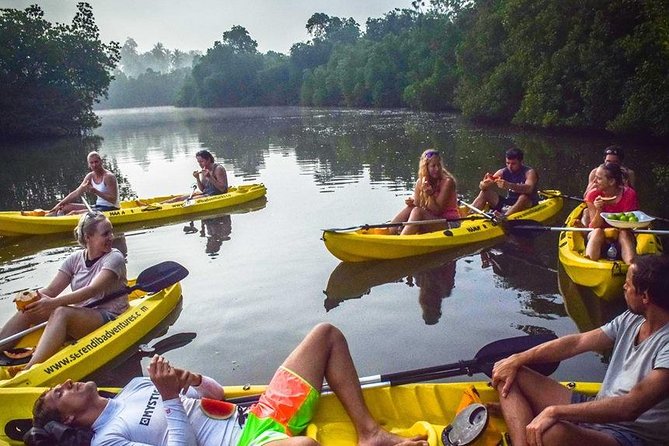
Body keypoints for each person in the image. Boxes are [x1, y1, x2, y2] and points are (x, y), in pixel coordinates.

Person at [29, 323, 428, 446]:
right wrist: (170, 399)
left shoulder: (134, 386)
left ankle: (370, 433)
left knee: (326, 335)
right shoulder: (108, 439)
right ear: (69, 418)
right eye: (58, 392)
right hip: (243, 445)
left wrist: (192, 380)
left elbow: (216, 396)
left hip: (255, 416)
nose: (65, 382)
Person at [491, 255, 669, 446]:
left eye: (628, 284)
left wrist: (555, 411)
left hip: (631, 436)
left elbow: (631, 407)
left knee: (551, 433)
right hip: (601, 408)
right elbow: (577, 342)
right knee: (509, 373)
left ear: (645, 296)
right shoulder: (631, 318)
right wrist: (518, 358)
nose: (623, 287)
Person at [0, 212, 128, 376]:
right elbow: (51, 291)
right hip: (84, 311)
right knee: (30, 310)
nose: (111, 237)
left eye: (111, 232)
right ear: (88, 237)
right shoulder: (74, 259)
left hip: (109, 315)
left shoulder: (114, 257)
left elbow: (92, 290)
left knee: (61, 312)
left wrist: (52, 303)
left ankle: (27, 371)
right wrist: (32, 299)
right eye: (105, 234)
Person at [389, 149, 459, 235]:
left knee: (417, 212)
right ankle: (390, 232)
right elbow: (418, 205)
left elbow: (437, 211)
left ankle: (401, 241)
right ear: (426, 167)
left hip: (449, 223)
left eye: (439, 165)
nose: (437, 169)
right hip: (431, 220)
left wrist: (430, 195)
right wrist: (412, 202)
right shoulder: (420, 182)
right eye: (433, 166)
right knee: (411, 208)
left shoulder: (448, 182)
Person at [584, 163, 638, 264]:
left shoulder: (629, 194)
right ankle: (589, 264)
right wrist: (599, 209)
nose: (595, 182)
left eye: (599, 178)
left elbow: (628, 223)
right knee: (597, 231)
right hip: (599, 236)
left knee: (624, 233)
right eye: (595, 178)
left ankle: (632, 267)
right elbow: (594, 226)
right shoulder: (593, 195)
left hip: (621, 236)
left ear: (611, 181)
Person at [471, 147, 539, 216]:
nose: (510, 166)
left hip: (526, 204)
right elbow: (485, 185)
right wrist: (483, 185)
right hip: (509, 203)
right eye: (507, 163)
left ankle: (504, 218)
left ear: (521, 162)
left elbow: (529, 189)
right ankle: (469, 217)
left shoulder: (529, 172)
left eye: (513, 164)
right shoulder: (502, 172)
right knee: (484, 193)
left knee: (523, 197)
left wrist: (509, 185)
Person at [48, 152, 120, 215]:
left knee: (74, 213)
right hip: (98, 206)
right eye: (91, 163)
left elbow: (113, 199)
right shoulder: (90, 176)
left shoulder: (108, 177)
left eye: (96, 162)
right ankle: (54, 215)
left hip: (111, 208)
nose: (94, 165)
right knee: (65, 207)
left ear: (101, 162)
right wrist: (59, 204)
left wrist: (95, 191)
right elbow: (76, 192)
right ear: (89, 164)